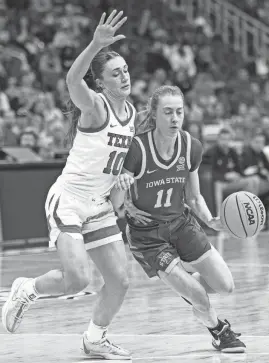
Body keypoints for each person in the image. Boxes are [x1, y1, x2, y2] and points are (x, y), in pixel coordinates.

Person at [2, 10, 136, 360]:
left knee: (120, 281)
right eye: (115, 73)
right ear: (102, 83)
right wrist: (95, 44)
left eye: (125, 70)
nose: (123, 77)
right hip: (70, 201)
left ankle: (95, 339)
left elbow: (118, 170)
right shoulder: (95, 106)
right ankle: (27, 289)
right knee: (78, 280)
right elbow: (73, 80)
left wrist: (123, 180)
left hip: (100, 204)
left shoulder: (132, 114)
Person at [115, 85, 246, 353]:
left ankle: (184, 281)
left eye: (179, 112)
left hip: (181, 224)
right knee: (198, 295)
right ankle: (219, 331)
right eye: (167, 112)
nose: (175, 118)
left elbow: (194, 196)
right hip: (148, 235)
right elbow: (117, 204)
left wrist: (211, 220)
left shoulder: (191, 146)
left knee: (225, 286)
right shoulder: (136, 148)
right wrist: (121, 183)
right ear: (154, 115)